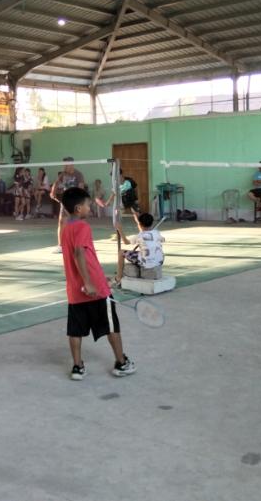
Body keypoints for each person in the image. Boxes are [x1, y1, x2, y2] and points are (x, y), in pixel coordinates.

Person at [59, 186, 136, 381]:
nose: (90, 207)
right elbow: (79, 253)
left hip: (75, 291)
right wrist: (90, 282)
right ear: (78, 208)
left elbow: (83, 256)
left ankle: (77, 367)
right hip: (95, 289)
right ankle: (121, 362)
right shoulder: (83, 227)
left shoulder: (66, 228)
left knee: (75, 330)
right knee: (111, 326)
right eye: (87, 204)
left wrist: (99, 277)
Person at [114, 212, 164, 285]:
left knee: (121, 252)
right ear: (152, 223)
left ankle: (118, 278)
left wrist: (120, 229)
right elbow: (159, 238)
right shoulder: (157, 233)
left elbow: (126, 242)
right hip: (159, 261)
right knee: (147, 251)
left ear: (140, 224)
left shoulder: (139, 236)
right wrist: (138, 222)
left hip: (146, 263)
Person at [52, 157, 86, 254]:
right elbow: (56, 183)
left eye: (66, 165)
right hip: (65, 201)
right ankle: (60, 246)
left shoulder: (78, 174)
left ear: (71, 164)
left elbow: (81, 188)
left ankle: (79, 245)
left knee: (76, 224)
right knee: (61, 222)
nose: (64, 167)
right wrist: (53, 191)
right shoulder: (63, 174)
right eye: (64, 165)